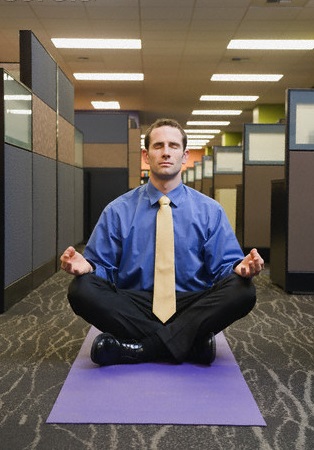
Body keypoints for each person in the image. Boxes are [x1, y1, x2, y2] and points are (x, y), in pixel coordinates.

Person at [60, 118, 264, 367]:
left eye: (173, 146)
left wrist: (239, 269)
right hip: (135, 303)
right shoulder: (118, 210)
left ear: (184, 155)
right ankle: (189, 343)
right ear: (146, 155)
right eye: (158, 146)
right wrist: (88, 268)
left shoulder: (210, 211)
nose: (166, 152)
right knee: (81, 289)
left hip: (192, 302)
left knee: (243, 290)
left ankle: (141, 348)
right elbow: (102, 270)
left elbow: (224, 269)